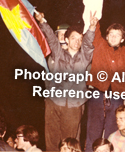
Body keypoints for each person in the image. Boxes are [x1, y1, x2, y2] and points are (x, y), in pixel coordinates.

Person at [35, 11, 98, 151]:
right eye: (74, 38)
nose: (77, 42)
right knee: (51, 139)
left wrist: (92, 27)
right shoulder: (58, 53)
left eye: (80, 39)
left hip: (73, 105)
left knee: (70, 143)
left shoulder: (84, 57)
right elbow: (51, 38)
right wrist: (42, 21)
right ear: (67, 40)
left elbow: (88, 44)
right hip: (54, 102)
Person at [85, 0, 125, 151]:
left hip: (117, 98)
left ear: (122, 39)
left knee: (111, 135)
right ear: (107, 36)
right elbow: (95, 31)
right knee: (93, 133)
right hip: (97, 95)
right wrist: (94, 19)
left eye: (117, 35)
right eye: (111, 34)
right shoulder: (100, 45)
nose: (113, 37)